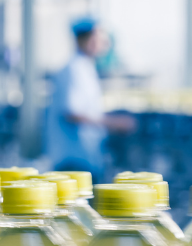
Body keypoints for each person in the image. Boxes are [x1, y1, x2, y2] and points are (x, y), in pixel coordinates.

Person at [46, 18, 134, 181]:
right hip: (73, 161)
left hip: (86, 158)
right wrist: (114, 123)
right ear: (86, 39)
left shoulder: (86, 67)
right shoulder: (73, 70)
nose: (104, 43)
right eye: (99, 38)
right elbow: (72, 113)